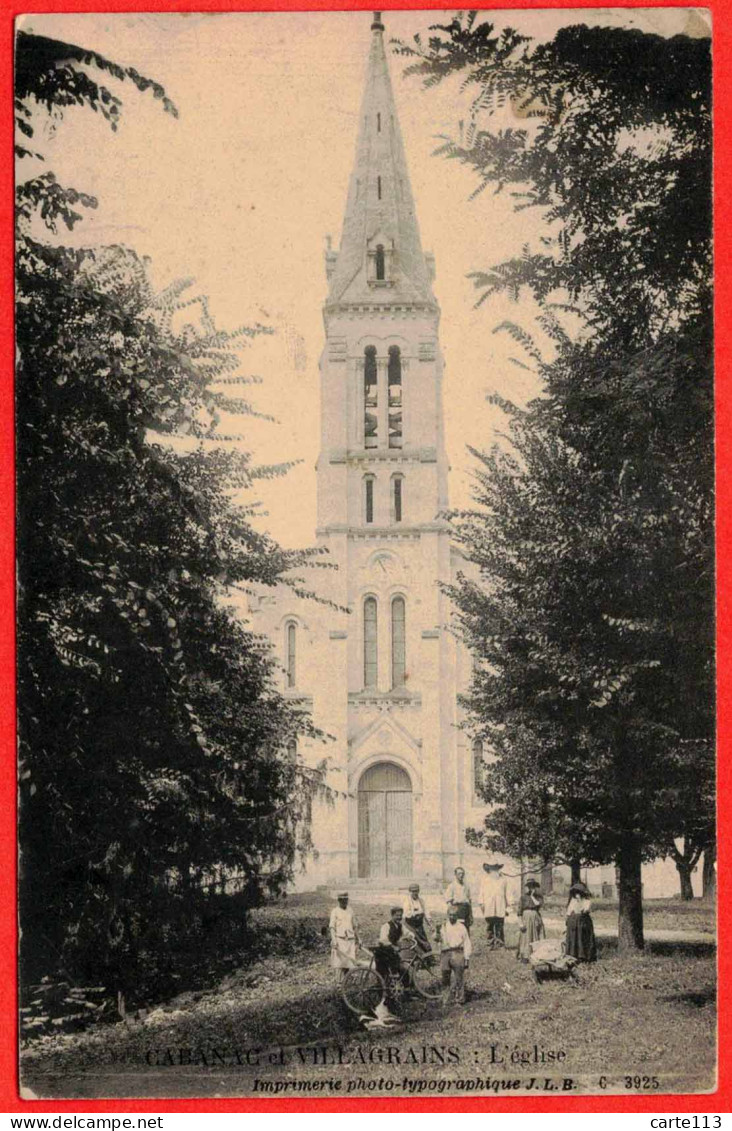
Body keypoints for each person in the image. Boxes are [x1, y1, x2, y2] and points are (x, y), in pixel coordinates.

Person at [373, 906, 414, 990]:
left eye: (400, 915)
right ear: (392, 915)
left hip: (392, 954)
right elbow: (383, 940)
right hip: (383, 954)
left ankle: (406, 990)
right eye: (397, 915)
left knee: (403, 969)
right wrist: (393, 946)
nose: (399, 917)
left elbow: (408, 932)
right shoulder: (386, 926)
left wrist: (410, 936)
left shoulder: (400, 926)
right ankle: (383, 996)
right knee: (384, 976)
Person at [440, 906, 472, 1005]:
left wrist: (466, 958)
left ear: (457, 916)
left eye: (454, 915)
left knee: (459, 978)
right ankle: (446, 1000)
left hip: (457, 953)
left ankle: (460, 1000)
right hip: (445, 953)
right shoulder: (444, 926)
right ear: (447, 915)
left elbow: (467, 943)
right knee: (445, 978)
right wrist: (436, 934)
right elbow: (437, 939)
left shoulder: (461, 927)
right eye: (450, 915)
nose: (452, 917)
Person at [328, 892, 361, 985]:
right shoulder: (335, 911)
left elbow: (355, 926)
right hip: (340, 940)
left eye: (346, 900)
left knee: (349, 962)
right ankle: (339, 984)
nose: (345, 902)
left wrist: (359, 938)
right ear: (339, 900)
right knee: (339, 963)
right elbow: (332, 927)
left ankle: (346, 983)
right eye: (342, 900)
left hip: (350, 940)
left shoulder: (350, 911)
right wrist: (334, 940)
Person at [478, 857, 511, 948]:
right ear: (489, 869)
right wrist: (481, 904)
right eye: (492, 868)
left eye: (495, 868)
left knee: (500, 925)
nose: (494, 871)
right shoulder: (485, 880)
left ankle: (500, 943)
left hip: (500, 906)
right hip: (489, 906)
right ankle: (490, 943)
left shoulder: (503, 880)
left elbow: (507, 893)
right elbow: (481, 893)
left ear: (498, 868)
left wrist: (508, 907)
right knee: (490, 925)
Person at [565, 881, 597, 962]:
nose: (577, 895)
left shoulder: (587, 901)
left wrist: (579, 902)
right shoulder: (572, 901)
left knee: (582, 938)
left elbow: (584, 910)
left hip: (584, 921)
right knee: (574, 937)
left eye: (578, 892)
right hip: (574, 921)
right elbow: (569, 912)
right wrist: (567, 921)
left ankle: (584, 956)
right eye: (575, 893)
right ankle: (573, 955)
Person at [516, 878, 546, 962]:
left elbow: (538, 904)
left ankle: (537, 955)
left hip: (536, 917)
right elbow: (519, 912)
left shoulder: (539, 897)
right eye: (529, 886)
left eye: (533, 886)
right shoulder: (523, 897)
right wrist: (520, 923)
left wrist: (532, 896)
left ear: (535, 887)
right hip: (526, 918)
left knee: (537, 935)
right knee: (526, 936)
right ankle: (525, 956)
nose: (531, 888)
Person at [402, 883, 433, 952]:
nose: (415, 893)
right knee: (413, 941)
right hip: (410, 925)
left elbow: (426, 912)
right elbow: (407, 914)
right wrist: (417, 912)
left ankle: (427, 957)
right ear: (410, 892)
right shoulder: (407, 901)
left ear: (419, 891)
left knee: (424, 942)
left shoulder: (421, 901)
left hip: (419, 926)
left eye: (416, 891)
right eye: (413, 891)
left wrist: (430, 923)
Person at [444, 867, 473, 932]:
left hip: (466, 910)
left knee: (466, 929)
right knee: (457, 929)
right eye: (459, 873)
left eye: (463, 873)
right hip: (456, 909)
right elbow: (449, 902)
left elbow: (469, 901)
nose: (461, 875)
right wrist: (451, 914)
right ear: (455, 875)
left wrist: (471, 914)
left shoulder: (467, 886)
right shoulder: (451, 886)